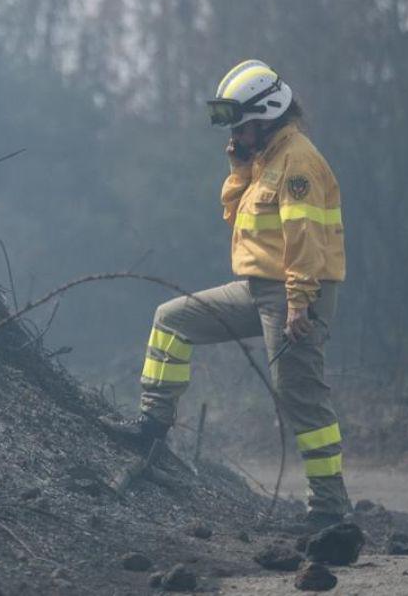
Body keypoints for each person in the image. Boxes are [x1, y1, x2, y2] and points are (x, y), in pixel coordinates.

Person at [104, 60, 349, 529]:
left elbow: (305, 237)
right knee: (171, 320)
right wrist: (239, 165)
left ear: (268, 115)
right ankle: (152, 427)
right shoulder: (265, 160)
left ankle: (330, 511)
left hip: (295, 291)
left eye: (241, 125)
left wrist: (300, 301)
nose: (235, 133)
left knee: (299, 393)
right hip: (257, 288)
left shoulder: (298, 161)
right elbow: (235, 216)